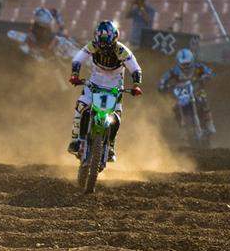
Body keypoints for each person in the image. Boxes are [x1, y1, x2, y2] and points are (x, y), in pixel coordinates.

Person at [67, 20, 142, 162]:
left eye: (106, 45)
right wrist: (75, 75)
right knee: (81, 105)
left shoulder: (121, 50)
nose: (104, 50)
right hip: (94, 83)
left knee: (116, 116)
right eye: (101, 45)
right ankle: (76, 140)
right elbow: (78, 59)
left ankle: (111, 147)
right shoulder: (93, 45)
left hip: (115, 87)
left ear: (114, 39)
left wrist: (136, 85)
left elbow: (135, 68)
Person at [158, 48, 216, 135]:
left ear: (192, 61)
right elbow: (164, 78)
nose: (185, 66)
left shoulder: (198, 67)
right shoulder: (174, 71)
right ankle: (182, 127)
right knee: (175, 107)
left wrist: (206, 76)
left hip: (197, 90)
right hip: (182, 94)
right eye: (183, 64)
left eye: (187, 64)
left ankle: (209, 123)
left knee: (203, 99)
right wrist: (162, 86)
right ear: (178, 62)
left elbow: (209, 72)